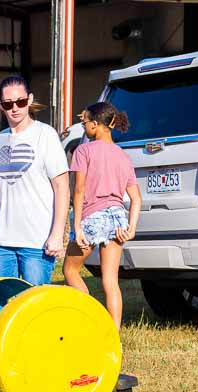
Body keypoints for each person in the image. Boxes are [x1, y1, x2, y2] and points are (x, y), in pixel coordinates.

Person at [0, 76, 70, 286]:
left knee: (33, 307)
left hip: (36, 240)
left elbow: (62, 187)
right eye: (8, 104)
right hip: (0, 240)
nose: (15, 108)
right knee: (0, 305)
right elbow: (7, 180)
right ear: (0, 105)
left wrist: (57, 234)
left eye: (21, 102)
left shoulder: (46, 135)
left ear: (30, 99)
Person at [63, 102, 141, 329]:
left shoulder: (83, 150)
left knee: (70, 270)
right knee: (110, 280)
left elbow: (78, 190)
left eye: (84, 122)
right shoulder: (123, 156)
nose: (83, 125)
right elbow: (136, 198)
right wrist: (132, 228)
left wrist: (77, 227)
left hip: (92, 216)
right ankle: (113, 336)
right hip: (118, 218)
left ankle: (91, 321)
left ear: (95, 125)